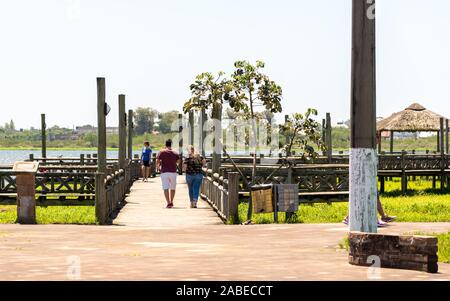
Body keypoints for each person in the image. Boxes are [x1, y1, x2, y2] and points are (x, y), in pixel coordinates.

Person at [156, 139, 180, 208]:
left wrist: (158, 167)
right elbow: (178, 161)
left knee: (165, 187)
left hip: (164, 172)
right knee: (173, 187)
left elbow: (157, 160)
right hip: (173, 172)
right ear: (171, 144)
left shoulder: (161, 152)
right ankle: (171, 201)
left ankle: (168, 202)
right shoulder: (175, 152)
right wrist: (174, 163)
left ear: (165, 144)